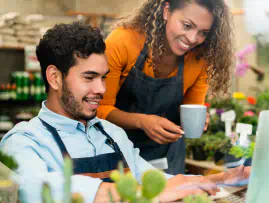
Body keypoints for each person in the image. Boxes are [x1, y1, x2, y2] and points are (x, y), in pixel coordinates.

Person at [0, 22, 249, 203]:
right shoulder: (25, 140)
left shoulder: (111, 133)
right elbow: (32, 188)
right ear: (54, 77)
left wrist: (223, 179)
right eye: (89, 77)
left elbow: (155, 180)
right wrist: (140, 194)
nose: (101, 89)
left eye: (103, 78)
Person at [97, 0, 233, 175]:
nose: (192, 39)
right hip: (117, 155)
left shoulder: (200, 59)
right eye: (187, 25)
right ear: (166, 11)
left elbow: (190, 107)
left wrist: (197, 119)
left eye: (203, 32)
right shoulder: (123, 41)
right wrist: (142, 121)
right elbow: (100, 109)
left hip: (167, 158)